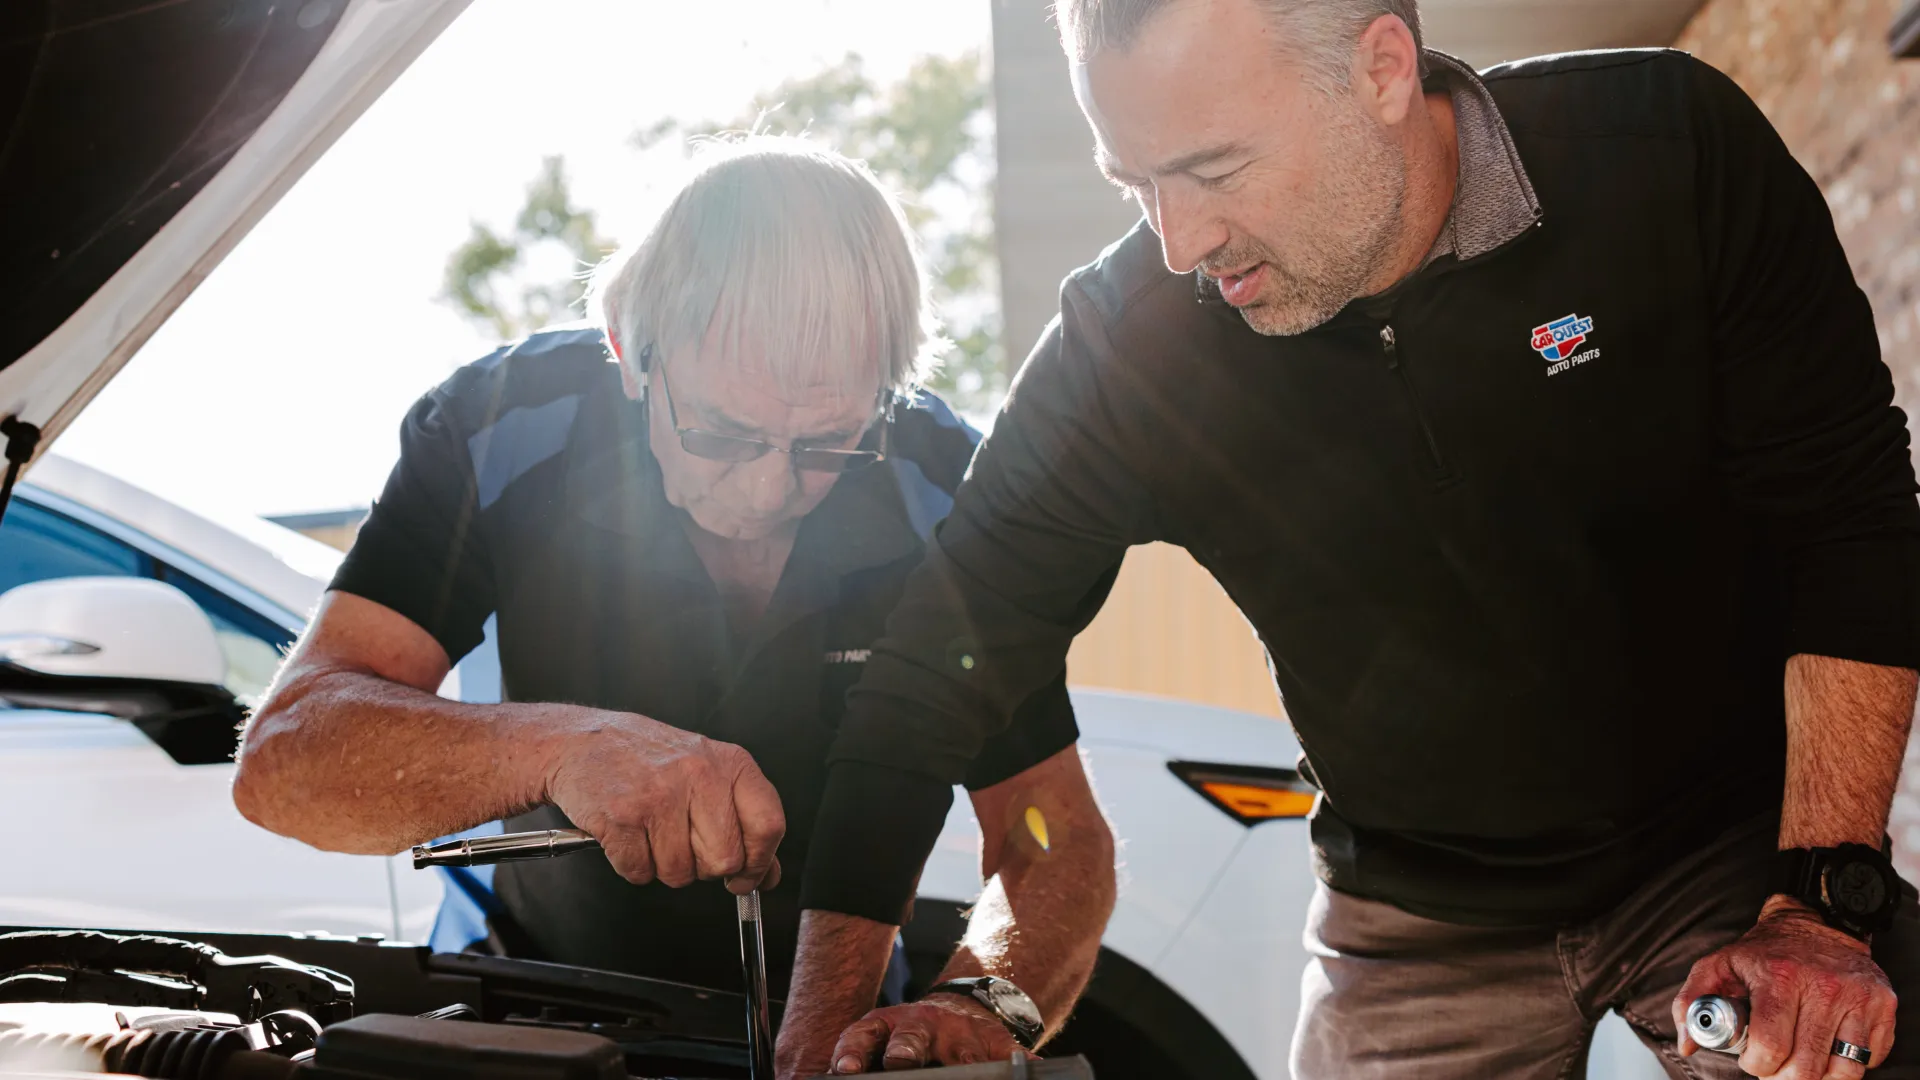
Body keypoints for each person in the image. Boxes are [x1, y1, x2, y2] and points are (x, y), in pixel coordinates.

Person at [796, 2, 1920, 1078]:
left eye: (1213, 169)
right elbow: (931, 673)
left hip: (1727, 845)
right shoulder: (1124, 354)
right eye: (1134, 184)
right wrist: (813, 1042)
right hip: (1412, 910)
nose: (1179, 241)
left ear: (1382, 71)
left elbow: (1849, 514)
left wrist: (1822, 904)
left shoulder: (1663, 152)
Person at [230, 137, 1116, 1078]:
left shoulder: (943, 491)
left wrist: (989, 1001)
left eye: (827, 442)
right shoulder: (502, 429)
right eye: (724, 433)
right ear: (628, 350)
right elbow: (288, 764)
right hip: (520, 1021)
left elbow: (1051, 834)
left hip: (834, 1033)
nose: (773, 488)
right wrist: (565, 749)